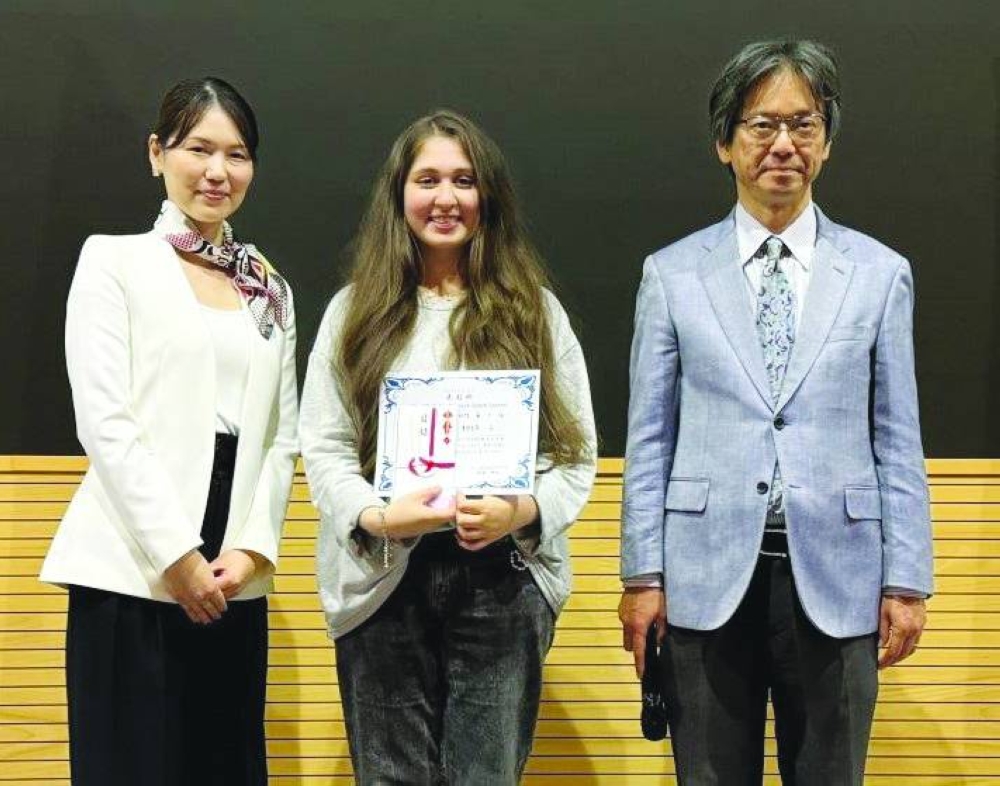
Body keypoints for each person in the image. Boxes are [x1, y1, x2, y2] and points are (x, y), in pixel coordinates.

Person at [618, 40, 933, 784]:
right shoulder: (670, 275)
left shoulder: (882, 275)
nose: (784, 145)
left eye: (804, 124)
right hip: (705, 577)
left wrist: (908, 580)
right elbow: (649, 436)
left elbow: (897, 435)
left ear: (826, 142)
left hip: (841, 578)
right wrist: (642, 575)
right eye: (762, 126)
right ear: (724, 143)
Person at [299, 109, 596, 784]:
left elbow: (574, 459)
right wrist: (379, 517)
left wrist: (518, 512)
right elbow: (324, 449)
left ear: (487, 196)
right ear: (398, 194)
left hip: (502, 581)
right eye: (427, 179)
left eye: (464, 180)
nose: (445, 197)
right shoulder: (353, 312)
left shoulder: (535, 312)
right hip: (382, 580)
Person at [40, 77, 298, 786]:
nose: (218, 171)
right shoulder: (113, 261)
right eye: (198, 148)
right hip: (134, 570)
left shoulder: (268, 287)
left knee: (226, 765)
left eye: (237, 154)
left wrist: (251, 549)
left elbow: (283, 433)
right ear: (158, 153)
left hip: (232, 577)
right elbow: (105, 420)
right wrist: (175, 555)